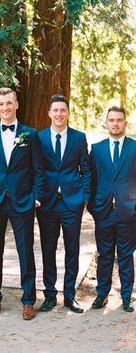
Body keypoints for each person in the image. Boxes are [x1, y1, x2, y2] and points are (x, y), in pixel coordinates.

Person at [0, 87, 44, 320]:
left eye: (8, 103)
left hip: (22, 201)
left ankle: (28, 300)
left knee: (26, 251)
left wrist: (35, 196)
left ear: (16, 105)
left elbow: (38, 170)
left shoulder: (30, 134)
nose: (5, 108)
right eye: (1, 104)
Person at [37, 94, 91, 313]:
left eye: (63, 110)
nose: (59, 114)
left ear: (68, 113)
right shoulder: (38, 138)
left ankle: (69, 296)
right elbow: (36, 170)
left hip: (71, 203)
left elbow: (86, 169)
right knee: (48, 249)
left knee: (72, 250)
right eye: (55, 110)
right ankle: (50, 295)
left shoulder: (79, 138)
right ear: (49, 113)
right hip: (47, 203)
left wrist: (84, 196)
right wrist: (36, 196)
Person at [88, 106, 136, 313]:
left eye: (119, 120)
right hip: (104, 211)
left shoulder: (134, 148)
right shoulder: (97, 149)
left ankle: (126, 296)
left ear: (125, 123)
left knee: (126, 255)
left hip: (128, 211)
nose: (115, 123)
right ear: (106, 123)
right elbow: (92, 179)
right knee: (104, 254)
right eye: (112, 120)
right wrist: (93, 206)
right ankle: (102, 294)